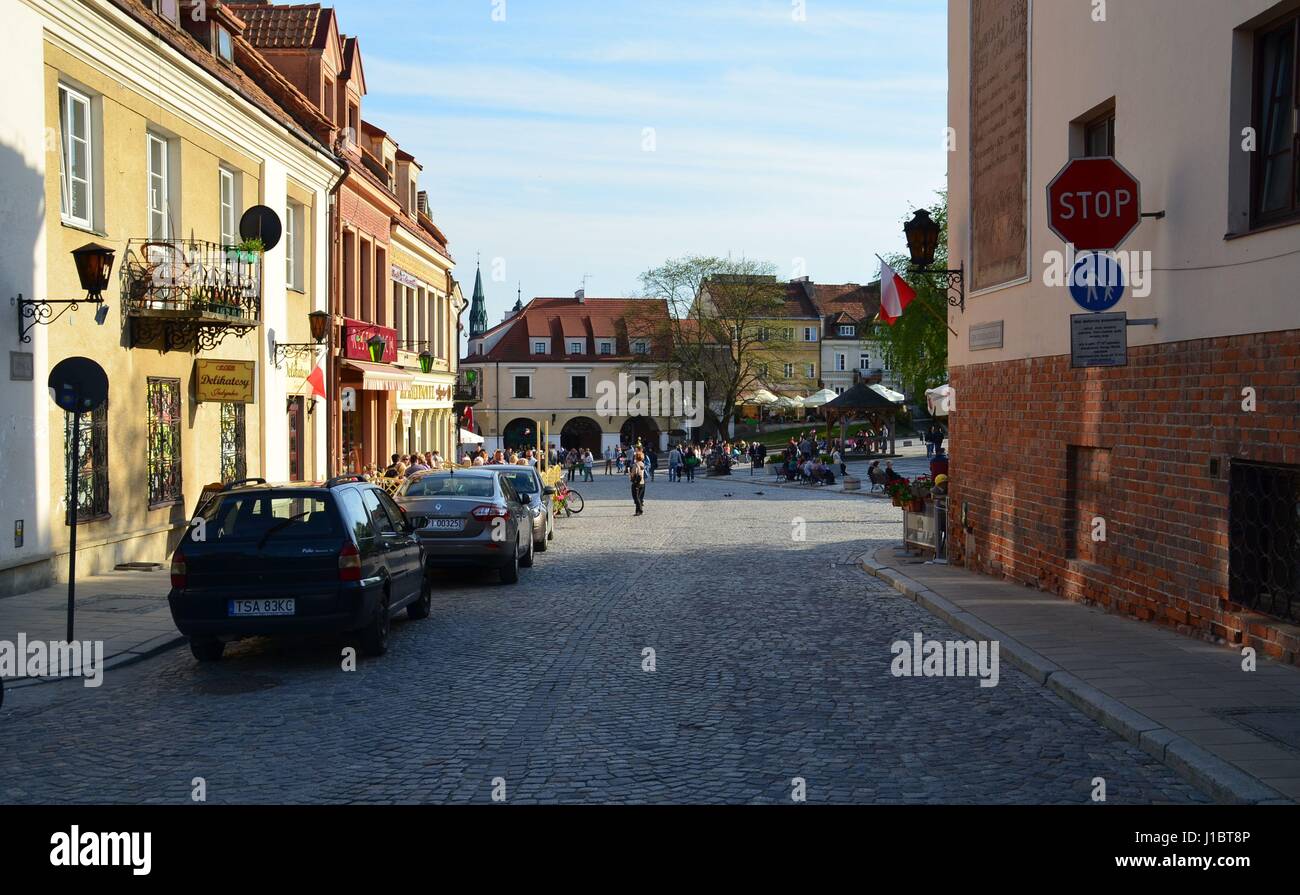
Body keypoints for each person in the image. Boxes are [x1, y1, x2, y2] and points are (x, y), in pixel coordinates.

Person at [629, 451, 647, 515]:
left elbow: (633, 474)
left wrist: (630, 474)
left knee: (635, 497)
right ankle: (637, 512)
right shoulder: (642, 464)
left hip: (636, 482)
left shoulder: (635, 465)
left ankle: (640, 510)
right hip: (642, 482)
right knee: (639, 497)